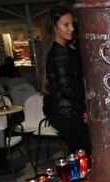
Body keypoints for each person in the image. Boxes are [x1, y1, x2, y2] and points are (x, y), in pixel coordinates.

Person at [42, 5, 91, 155]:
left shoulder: (61, 50)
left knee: (78, 151)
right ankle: (78, 177)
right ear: (55, 27)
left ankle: (77, 177)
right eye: (66, 24)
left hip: (64, 111)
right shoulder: (60, 54)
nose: (71, 29)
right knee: (82, 153)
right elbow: (68, 89)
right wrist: (87, 103)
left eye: (72, 24)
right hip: (67, 113)